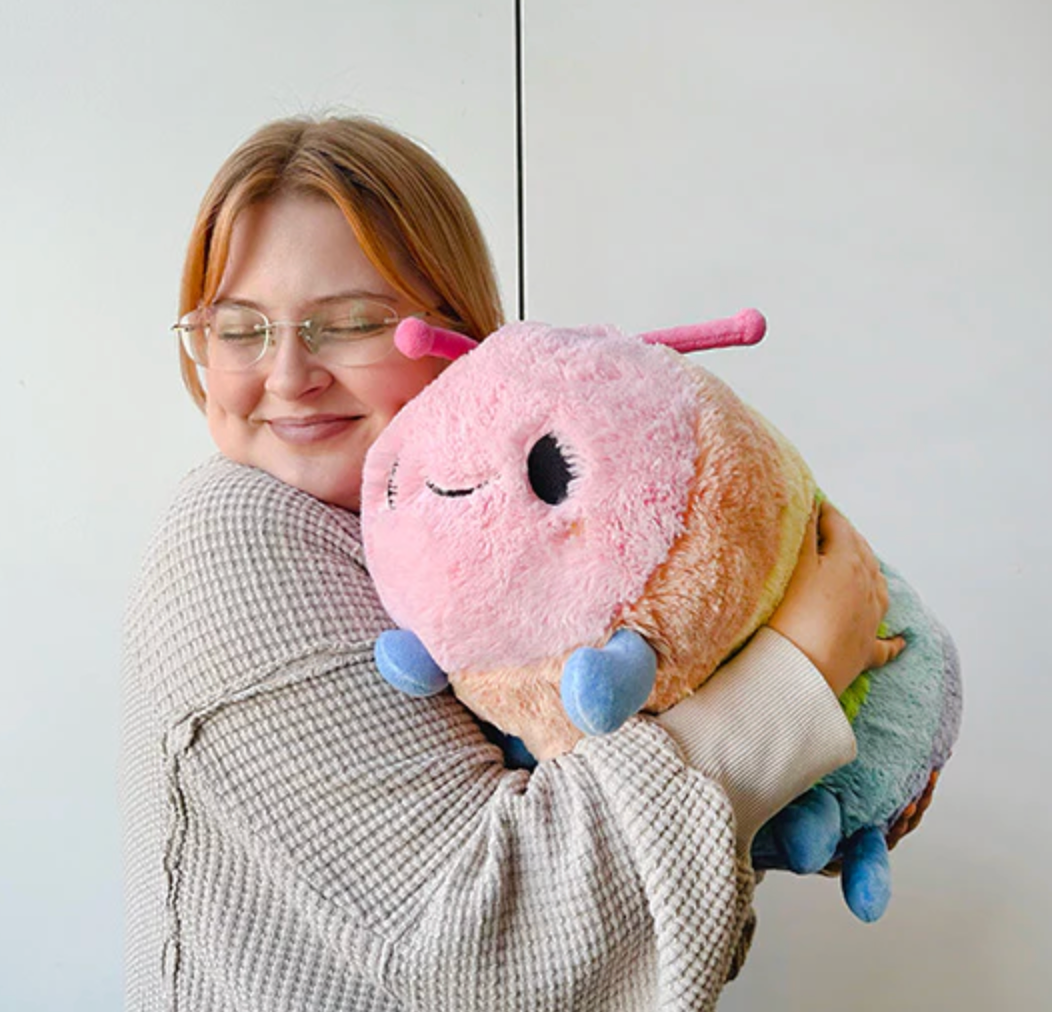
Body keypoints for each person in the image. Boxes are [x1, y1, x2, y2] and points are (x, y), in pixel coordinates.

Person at [121, 115, 903, 1012]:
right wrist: (794, 676)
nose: (289, 373)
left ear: (463, 343)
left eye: (352, 324)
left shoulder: (478, 565)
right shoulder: (238, 528)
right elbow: (479, 951)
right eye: (240, 329)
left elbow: (656, 913)